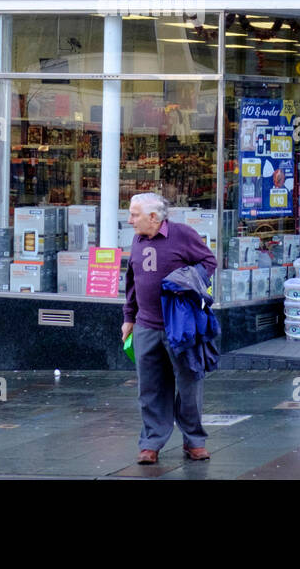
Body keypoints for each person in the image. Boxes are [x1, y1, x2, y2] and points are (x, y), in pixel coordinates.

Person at [120, 192, 217, 465]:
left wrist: (185, 280)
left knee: (189, 384)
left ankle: (194, 441)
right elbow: (132, 280)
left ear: (153, 217)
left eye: (135, 214)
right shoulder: (139, 238)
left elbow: (209, 262)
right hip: (146, 326)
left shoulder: (182, 234)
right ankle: (151, 443)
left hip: (180, 327)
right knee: (150, 388)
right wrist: (129, 317)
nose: (130, 220)